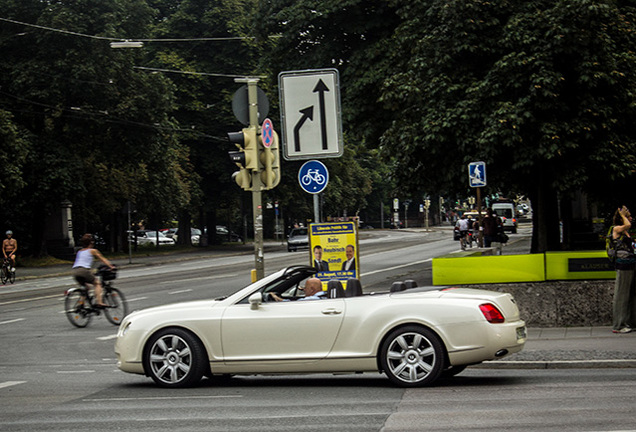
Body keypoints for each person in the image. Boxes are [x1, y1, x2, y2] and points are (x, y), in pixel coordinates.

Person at [72, 233, 115, 307]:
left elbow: (82, 261)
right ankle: (99, 302)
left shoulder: (80, 251)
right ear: (91, 243)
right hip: (84, 271)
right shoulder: (93, 251)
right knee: (97, 283)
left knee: (86, 288)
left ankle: (81, 304)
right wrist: (111, 266)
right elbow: (103, 259)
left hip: (75, 271)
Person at [610, 206, 635, 334]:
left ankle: (630, 321)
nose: (630, 218)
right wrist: (623, 215)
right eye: (628, 216)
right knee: (622, 295)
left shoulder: (626, 232)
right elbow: (628, 225)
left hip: (631, 264)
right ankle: (619, 324)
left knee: (631, 295)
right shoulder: (617, 229)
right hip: (623, 265)